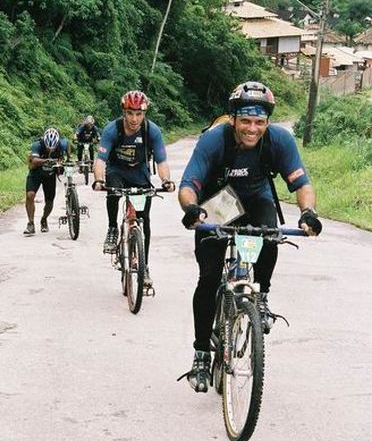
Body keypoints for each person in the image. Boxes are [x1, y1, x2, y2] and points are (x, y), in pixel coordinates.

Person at [178, 81, 322, 392]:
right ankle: (201, 353)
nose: (252, 128)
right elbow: (189, 183)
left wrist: (308, 213)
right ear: (233, 119)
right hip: (221, 203)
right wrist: (192, 209)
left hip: (257, 199)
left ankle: (263, 296)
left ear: (268, 122)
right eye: (245, 121)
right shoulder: (214, 140)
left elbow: (301, 184)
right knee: (209, 277)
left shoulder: (279, 140)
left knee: (270, 234)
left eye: (259, 122)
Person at [92, 90, 175, 287]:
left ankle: (144, 266)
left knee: (144, 220)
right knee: (112, 190)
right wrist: (98, 180)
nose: (134, 119)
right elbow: (101, 160)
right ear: (124, 112)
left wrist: (166, 181)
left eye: (139, 114)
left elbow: (162, 161)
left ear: (144, 113)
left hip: (139, 173)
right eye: (130, 113)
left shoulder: (151, 131)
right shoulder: (112, 129)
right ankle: (112, 227)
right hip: (117, 171)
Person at [24, 127, 70, 235]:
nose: (50, 150)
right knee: (30, 195)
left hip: (50, 176)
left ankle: (44, 219)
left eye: (52, 148)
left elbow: (68, 143)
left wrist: (68, 157)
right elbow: (34, 160)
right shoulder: (37, 145)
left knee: (49, 202)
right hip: (36, 173)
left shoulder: (62, 144)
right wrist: (47, 161)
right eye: (48, 147)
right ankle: (30, 224)